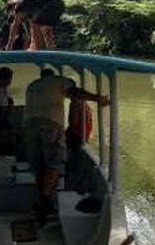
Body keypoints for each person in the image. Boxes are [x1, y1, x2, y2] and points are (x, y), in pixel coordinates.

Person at [23, 68, 109, 225]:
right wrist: (98, 98)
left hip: (28, 125)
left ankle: (43, 197)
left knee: (39, 164)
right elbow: (75, 92)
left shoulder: (33, 85)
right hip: (50, 124)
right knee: (56, 163)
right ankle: (44, 203)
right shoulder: (61, 82)